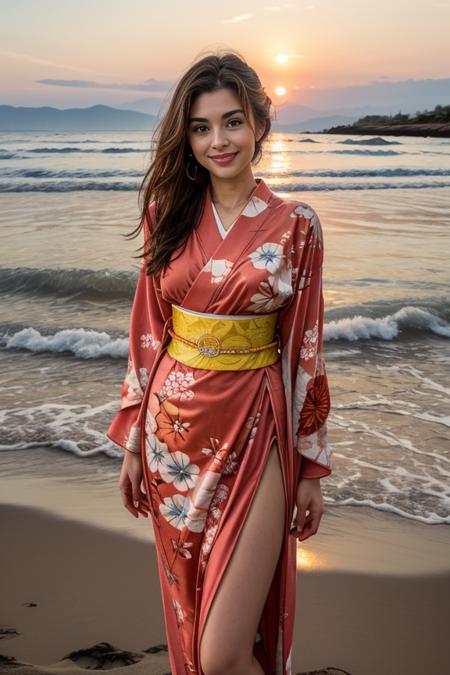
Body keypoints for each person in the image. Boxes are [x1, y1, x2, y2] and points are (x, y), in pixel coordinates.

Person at [106, 49, 333, 675]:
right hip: (170, 437)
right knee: (190, 613)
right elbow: (148, 330)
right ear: (187, 137)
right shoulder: (166, 217)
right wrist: (130, 442)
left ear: (258, 124)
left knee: (224, 651)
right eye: (202, 128)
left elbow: (305, 350)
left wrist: (310, 465)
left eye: (232, 122)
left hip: (255, 432)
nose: (218, 140)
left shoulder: (297, 225)